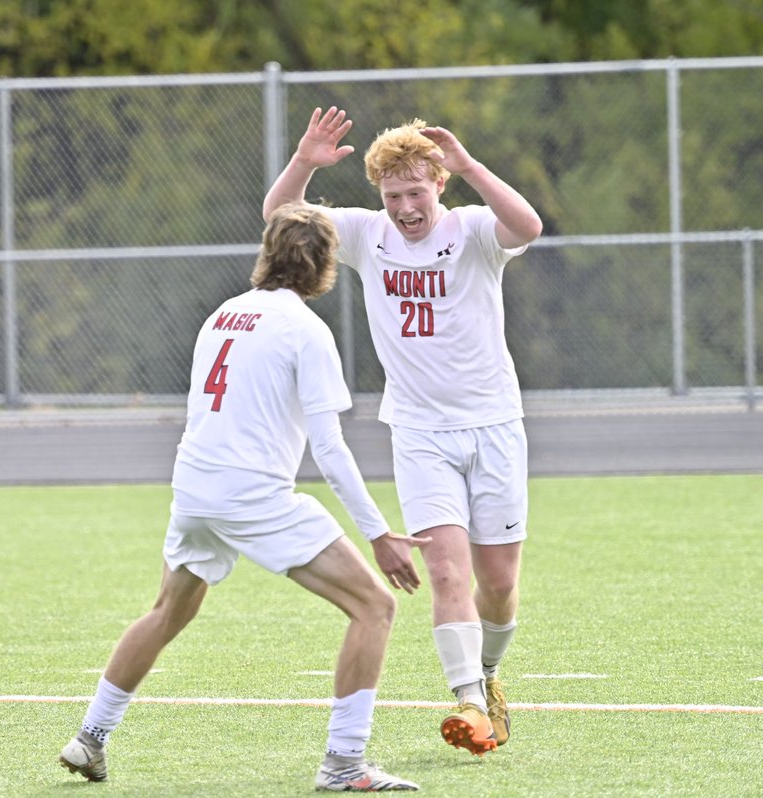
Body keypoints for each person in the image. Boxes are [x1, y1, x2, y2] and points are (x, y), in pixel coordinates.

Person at [59, 203, 430, 791]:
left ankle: (90, 738)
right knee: (375, 607)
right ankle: (344, 763)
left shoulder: (223, 314)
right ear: (325, 264)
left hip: (194, 487)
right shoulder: (307, 330)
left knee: (168, 611)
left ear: (267, 253)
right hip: (251, 495)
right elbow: (329, 448)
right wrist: (379, 534)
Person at [263, 107, 543, 756]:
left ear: (439, 184)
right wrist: (304, 161)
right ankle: (469, 703)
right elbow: (281, 217)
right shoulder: (368, 234)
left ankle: (488, 674)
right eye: (393, 196)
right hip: (418, 432)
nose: (406, 208)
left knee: (499, 584)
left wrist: (470, 165)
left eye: (417, 192)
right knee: (445, 571)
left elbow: (528, 225)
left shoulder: (473, 229)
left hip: (495, 425)